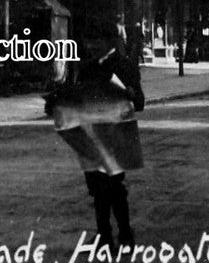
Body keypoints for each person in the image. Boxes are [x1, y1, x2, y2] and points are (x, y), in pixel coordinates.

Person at [52, 22, 146, 253]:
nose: (92, 46)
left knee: (114, 186)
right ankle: (105, 236)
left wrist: (131, 93)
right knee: (96, 187)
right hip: (92, 134)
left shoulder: (124, 66)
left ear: (110, 41)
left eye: (97, 41)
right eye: (89, 42)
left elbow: (140, 102)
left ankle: (123, 233)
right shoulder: (86, 68)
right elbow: (78, 99)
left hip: (115, 134)